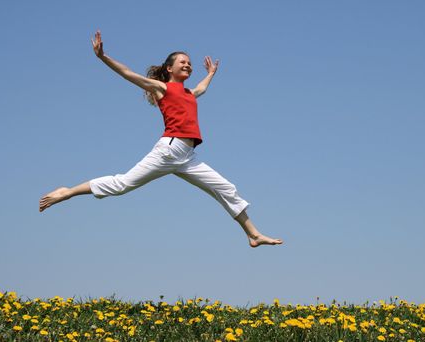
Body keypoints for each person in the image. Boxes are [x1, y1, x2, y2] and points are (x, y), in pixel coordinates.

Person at [39, 30, 283, 248]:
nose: (188, 65)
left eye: (189, 63)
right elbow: (128, 74)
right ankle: (68, 192)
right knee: (122, 185)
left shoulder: (189, 93)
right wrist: (104, 57)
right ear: (169, 69)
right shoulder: (162, 88)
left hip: (187, 157)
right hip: (169, 150)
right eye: (182, 62)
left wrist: (210, 74)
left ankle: (253, 235)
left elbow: (202, 89)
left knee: (226, 188)